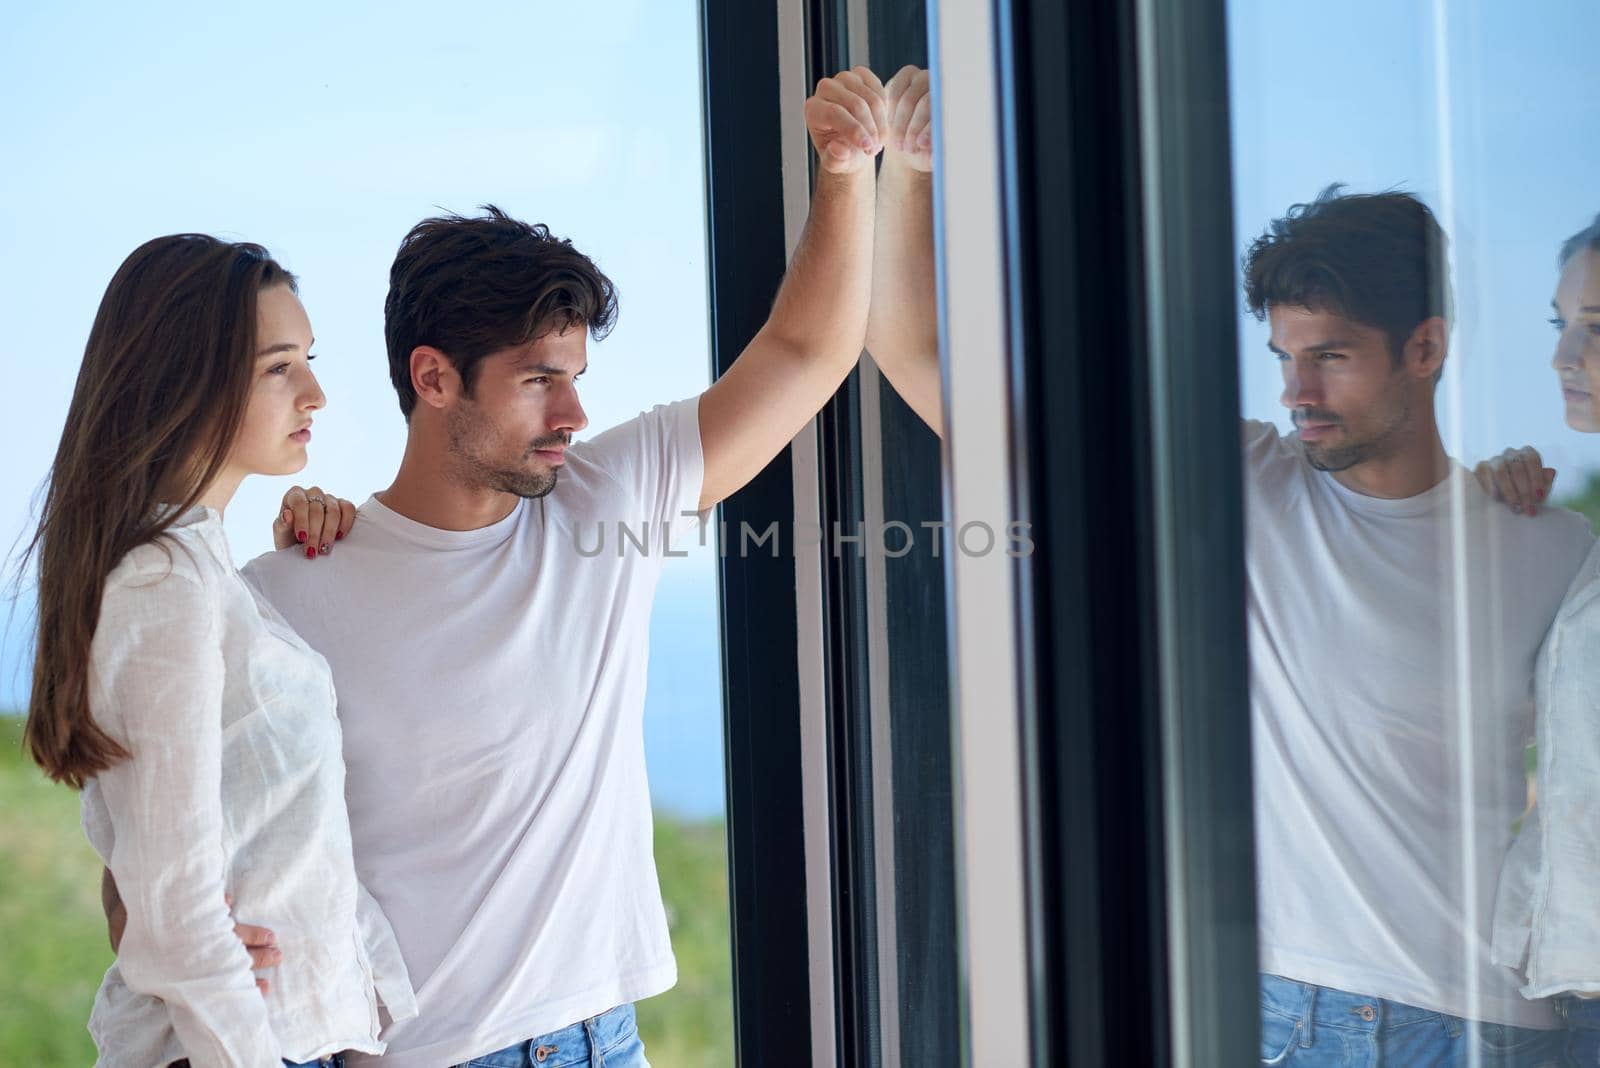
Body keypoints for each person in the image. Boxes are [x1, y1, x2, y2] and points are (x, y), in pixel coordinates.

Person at [106, 66, 888, 1067]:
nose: (571, 416)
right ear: (433, 378)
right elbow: (159, 839)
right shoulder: (284, 594)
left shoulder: (608, 505)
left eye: (576, 379)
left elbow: (803, 352)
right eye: (536, 381)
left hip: (605, 1043)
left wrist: (846, 169)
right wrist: (190, 930)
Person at [21, 235, 414, 1067]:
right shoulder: (163, 585)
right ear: (185, 378)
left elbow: (264, 853)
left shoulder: (204, 574)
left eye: (308, 359)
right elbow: (172, 920)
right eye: (279, 367)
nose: (316, 392)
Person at [1240, 187, 1592, 1067]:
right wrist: (893, 174)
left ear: (1425, 348)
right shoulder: (1247, 486)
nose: (1296, 391)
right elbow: (950, 377)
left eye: (1330, 356)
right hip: (1303, 1009)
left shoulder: (1552, 542)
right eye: (1284, 355)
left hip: (1513, 1022)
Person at [1488, 213, 1600, 1065]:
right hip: (1564, 991)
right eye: (1561, 325)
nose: (1564, 358)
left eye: (1596, 330)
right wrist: (1488, 509)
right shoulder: (1586, 551)